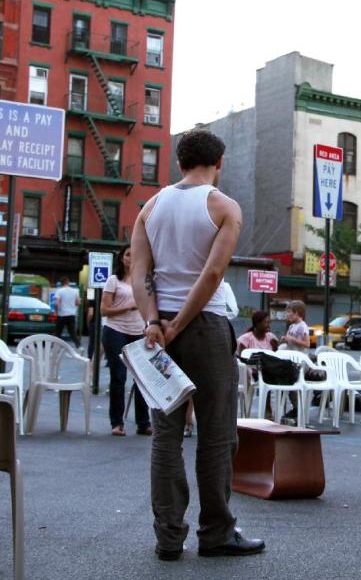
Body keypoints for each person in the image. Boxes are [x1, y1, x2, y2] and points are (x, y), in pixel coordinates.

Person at [131, 128, 265, 561]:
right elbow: (210, 276)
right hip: (205, 325)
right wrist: (180, 323)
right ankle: (216, 532)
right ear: (219, 163)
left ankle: (168, 537)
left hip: (158, 328)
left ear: (179, 162)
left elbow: (139, 273)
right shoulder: (224, 206)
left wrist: (155, 322)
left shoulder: (149, 207)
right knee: (216, 432)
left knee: (165, 435)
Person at [100, 245, 151, 437]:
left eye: (135, 254)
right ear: (122, 258)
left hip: (139, 331)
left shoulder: (146, 280)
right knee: (119, 376)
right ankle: (117, 423)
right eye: (128, 254)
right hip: (115, 330)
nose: (132, 258)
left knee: (142, 378)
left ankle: (143, 423)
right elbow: (104, 310)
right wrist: (128, 307)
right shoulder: (114, 280)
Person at [54, 276, 80, 346]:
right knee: (72, 333)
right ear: (68, 282)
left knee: (58, 332)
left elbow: (56, 303)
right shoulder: (75, 291)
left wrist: (56, 311)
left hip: (62, 314)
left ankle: (55, 346)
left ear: (61, 283)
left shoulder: (59, 291)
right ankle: (78, 345)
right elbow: (78, 303)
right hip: (71, 314)